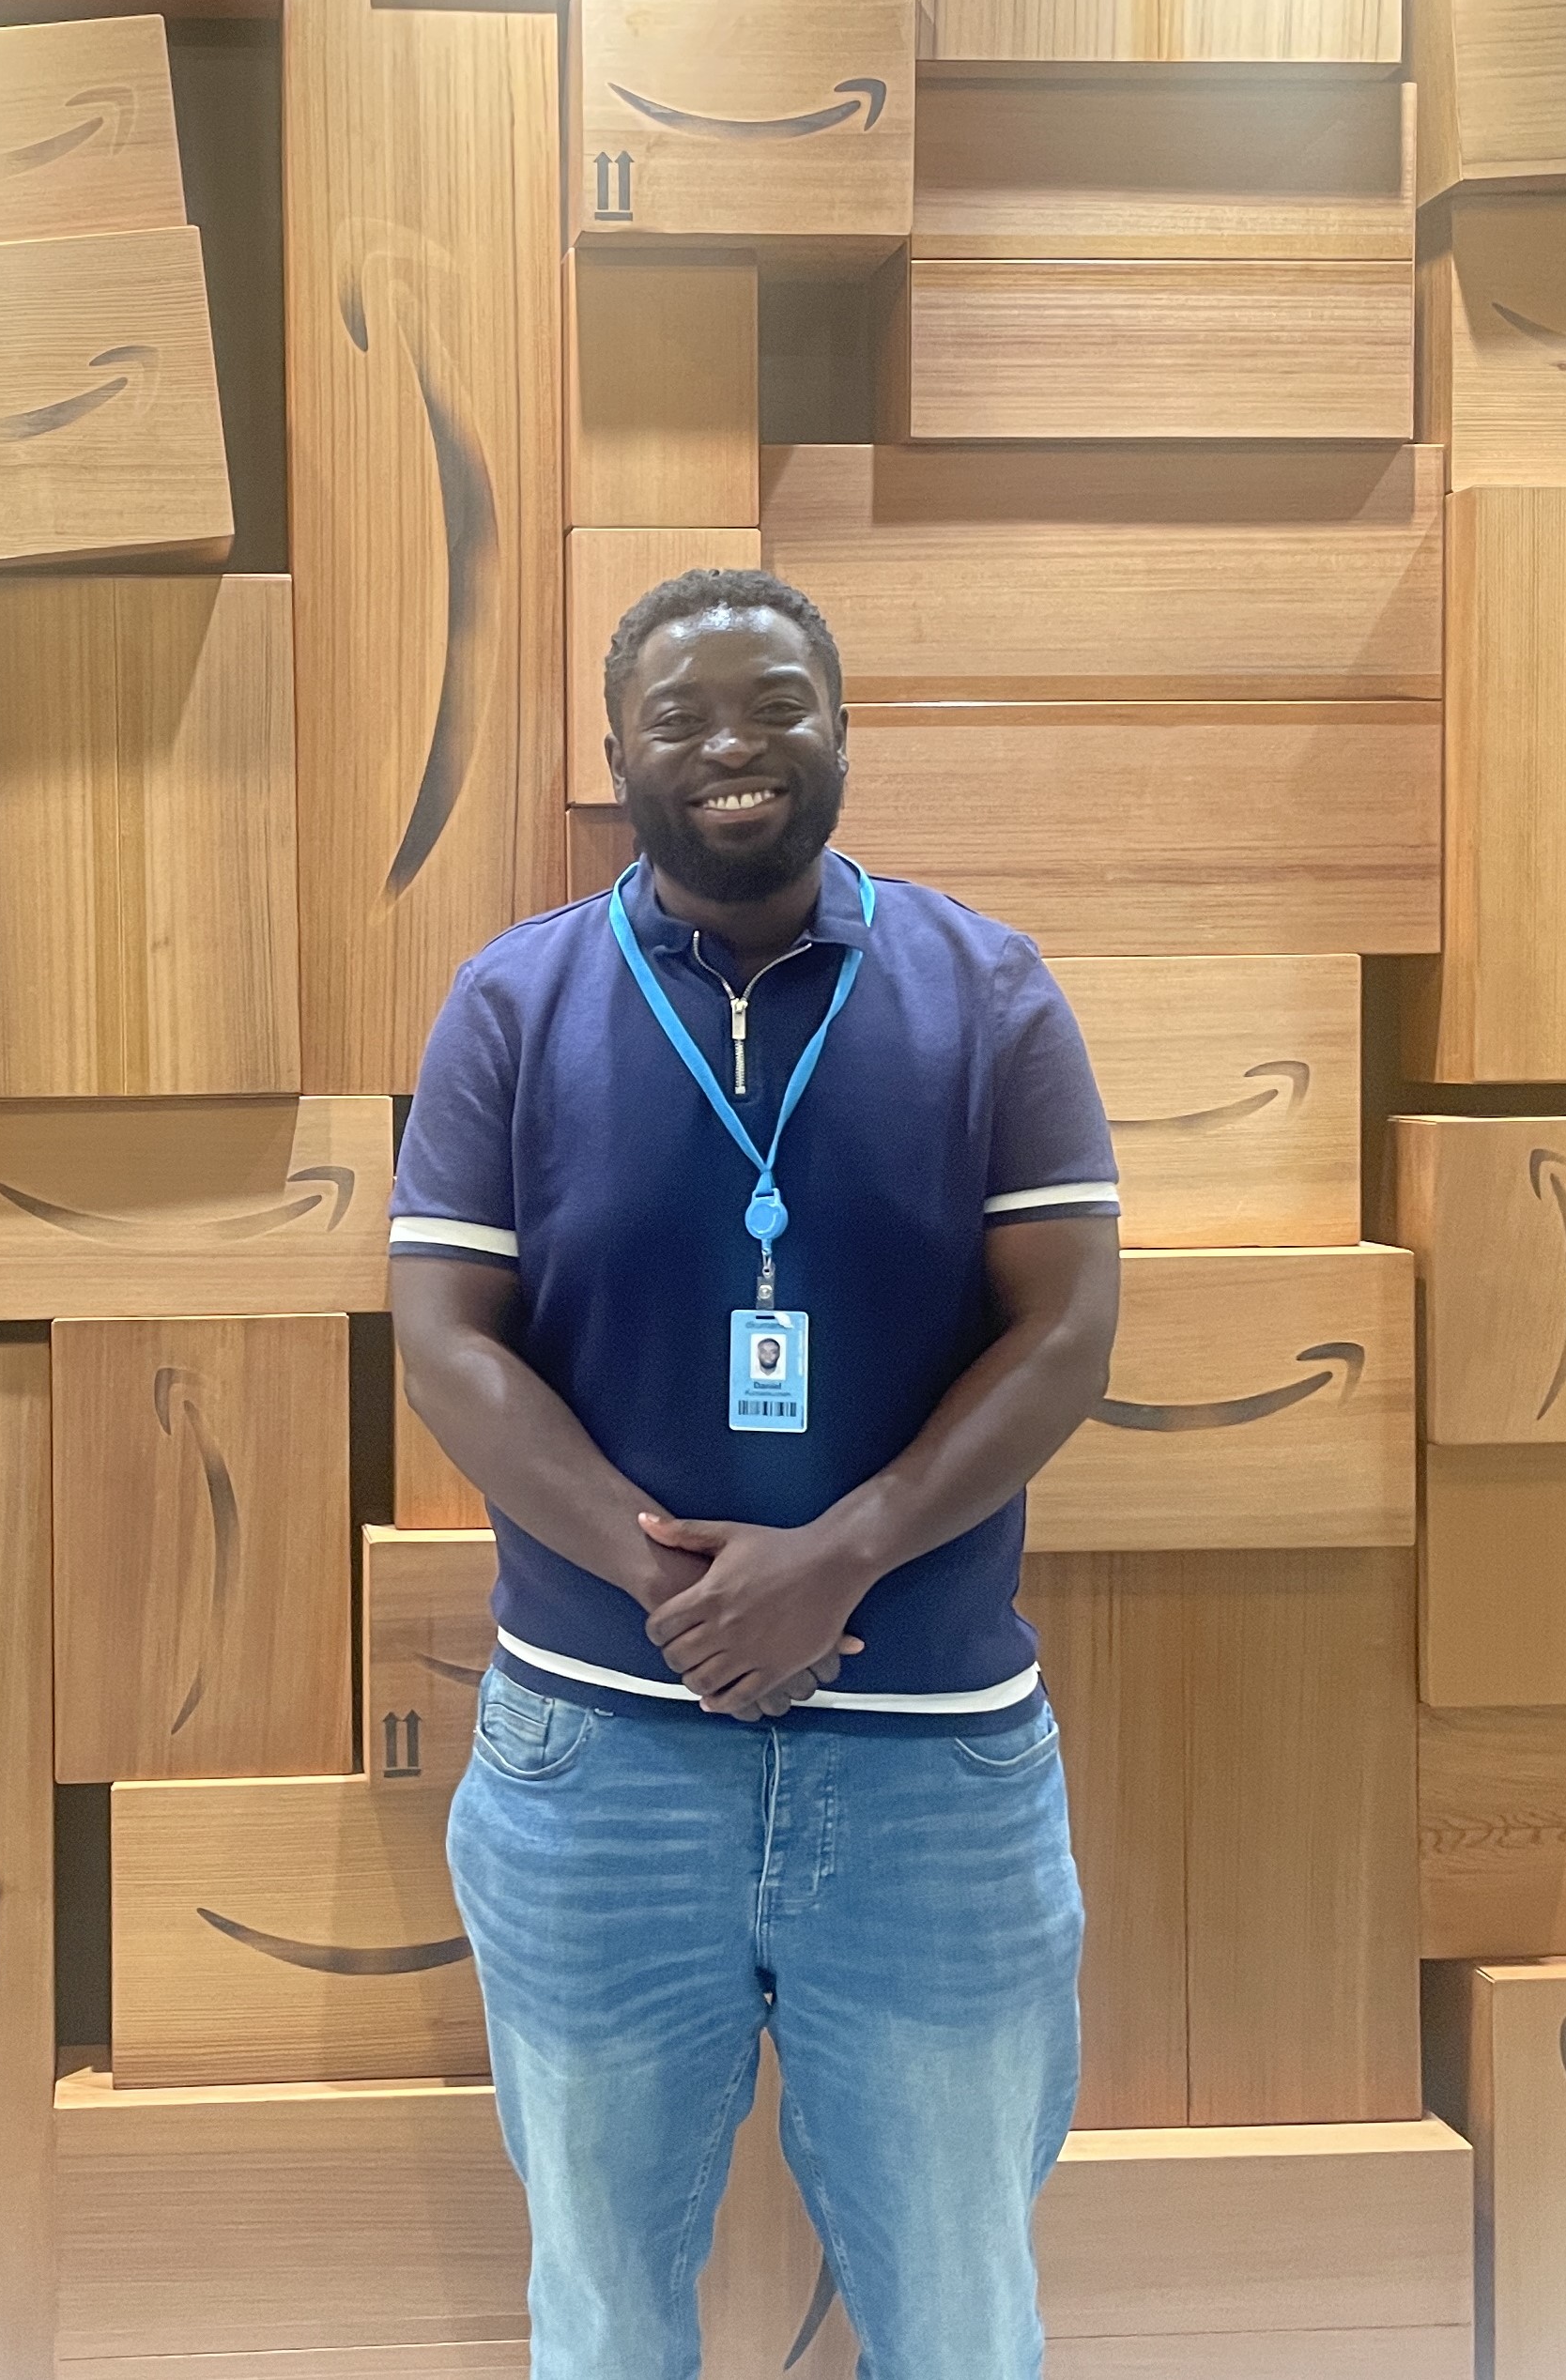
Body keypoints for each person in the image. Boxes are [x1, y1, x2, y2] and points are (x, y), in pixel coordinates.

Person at [389, 568, 1122, 2380]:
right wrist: (677, 1586)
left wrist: (840, 1560)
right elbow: (445, 1340)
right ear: (619, 755)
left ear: (841, 733)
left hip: (932, 1764)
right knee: (605, 2319)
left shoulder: (989, 995)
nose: (733, 749)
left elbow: (1068, 1333)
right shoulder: (514, 1005)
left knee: (962, 2320)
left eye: (777, 709)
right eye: (683, 717)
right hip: (600, 1758)